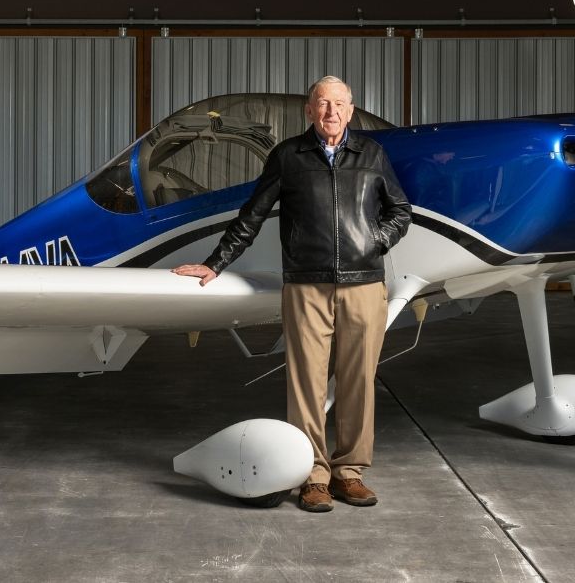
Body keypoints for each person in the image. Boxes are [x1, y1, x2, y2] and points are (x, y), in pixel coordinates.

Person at [173, 76, 411, 512]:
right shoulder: (288, 156)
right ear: (309, 110)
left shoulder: (372, 154)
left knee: (359, 381)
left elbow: (400, 209)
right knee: (307, 385)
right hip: (305, 285)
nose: (331, 112)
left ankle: (349, 472)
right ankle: (313, 475)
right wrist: (216, 262)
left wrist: (373, 241)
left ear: (351, 110)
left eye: (339, 104)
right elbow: (252, 214)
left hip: (364, 284)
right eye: (322, 103)